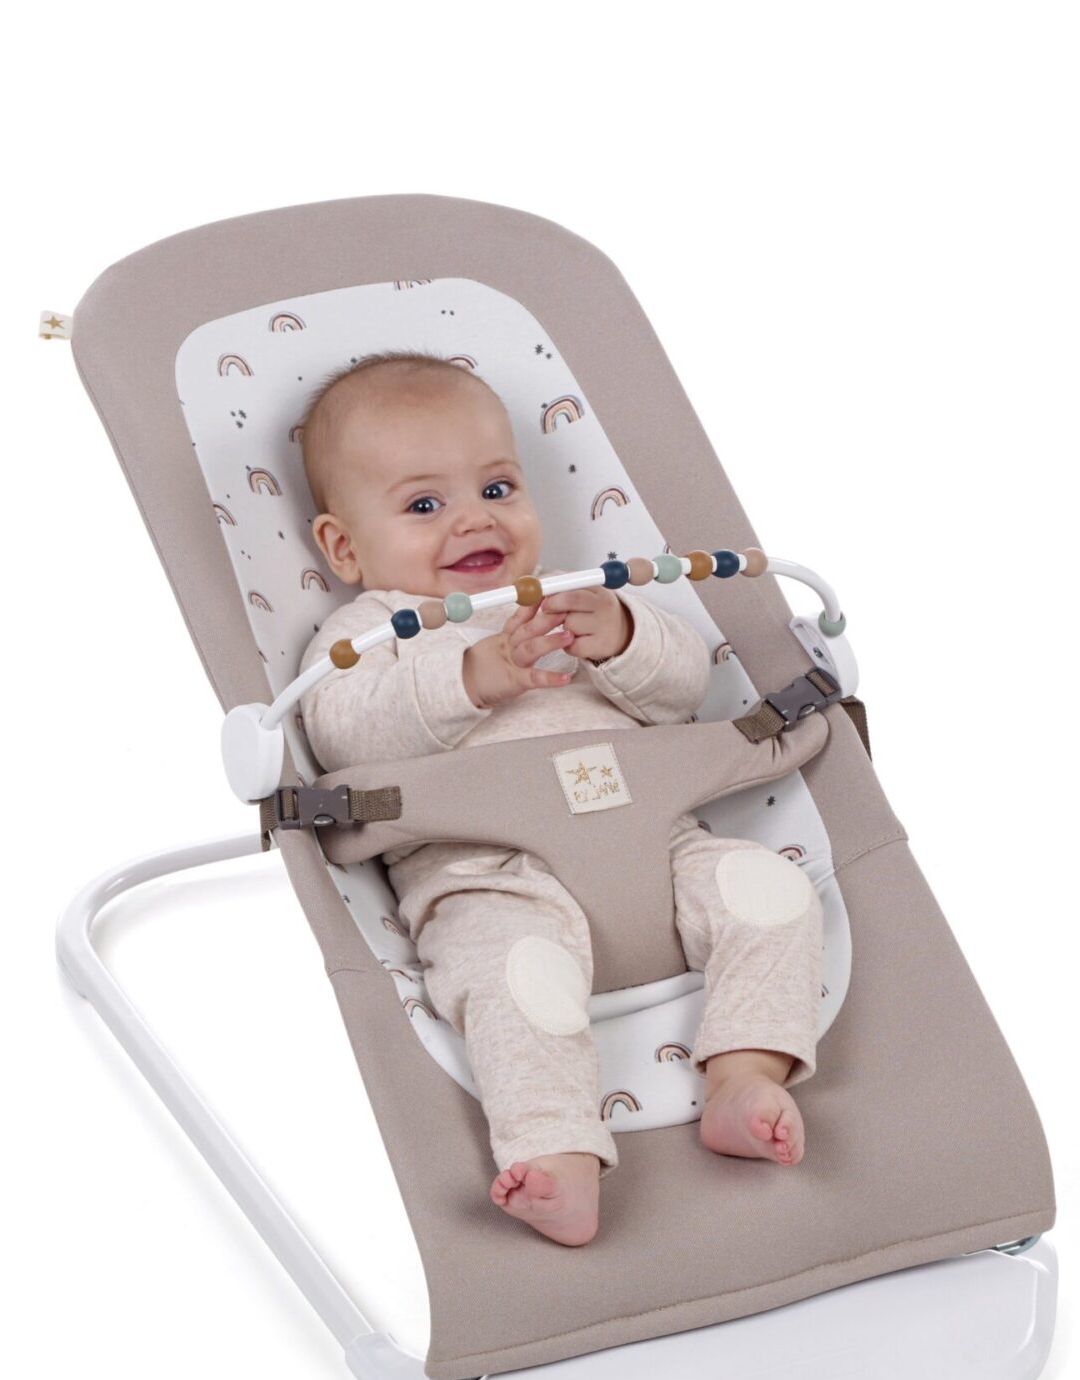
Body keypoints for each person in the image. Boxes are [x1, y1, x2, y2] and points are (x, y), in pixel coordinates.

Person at [297, 353, 822, 1246]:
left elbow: (682, 694)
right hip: (491, 877)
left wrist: (622, 637)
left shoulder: (575, 600)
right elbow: (343, 733)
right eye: (424, 505)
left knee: (774, 897)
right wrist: (473, 675)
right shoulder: (367, 632)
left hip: (657, 847)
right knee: (511, 982)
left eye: (497, 488)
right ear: (344, 547)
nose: (475, 518)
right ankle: (557, 1153)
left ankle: (743, 1074)